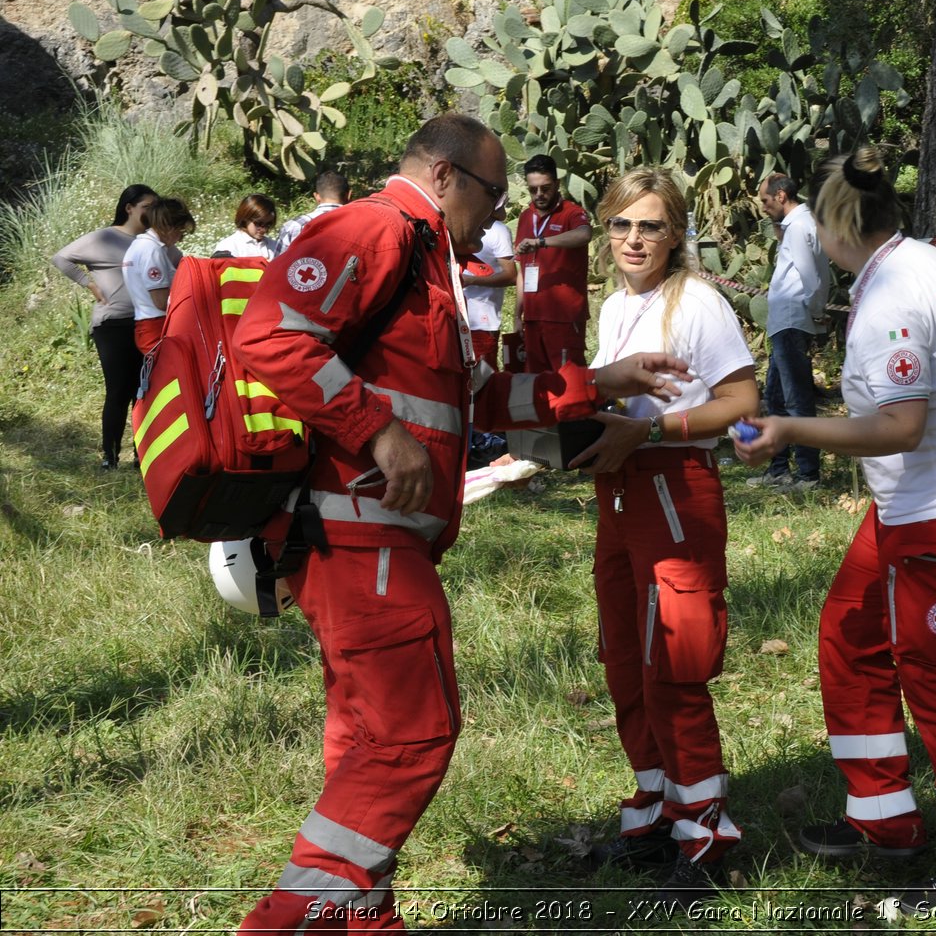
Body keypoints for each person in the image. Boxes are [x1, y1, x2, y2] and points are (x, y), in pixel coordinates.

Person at [229, 114, 688, 934]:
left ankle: (359, 916)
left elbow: (476, 398)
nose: (500, 210)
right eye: (493, 192)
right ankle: (290, 920)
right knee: (413, 729)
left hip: (375, 535)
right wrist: (378, 428)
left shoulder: (426, 258)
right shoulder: (373, 227)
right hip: (358, 532)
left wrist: (600, 381)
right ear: (445, 177)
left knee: (368, 733)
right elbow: (270, 335)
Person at [734, 147, 936, 911]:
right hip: (927, 500)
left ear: (836, 225)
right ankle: (885, 817)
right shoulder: (919, 260)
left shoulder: (889, 299)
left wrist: (789, 428)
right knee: (851, 631)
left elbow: (899, 426)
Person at [574, 166, 759, 900]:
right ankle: (653, 810)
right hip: (618, 495)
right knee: (624, 656)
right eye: (621, 223)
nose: (633, 238)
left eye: (650, 224)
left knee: (673, 661)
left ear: (676, 231)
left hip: (675, 489)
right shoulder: (615, 306)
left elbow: (743, 399)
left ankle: (706, 834)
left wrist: (652, 428)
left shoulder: (699, 301)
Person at [50, 183, 158, 469]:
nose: (151, 212)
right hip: (112, 325)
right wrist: (89, 283)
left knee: (144, 390)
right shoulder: (104, 238)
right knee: (118, 390)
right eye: (146, 206)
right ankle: (110, 457)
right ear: (129, 208)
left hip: (148, 324)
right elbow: (61, 258)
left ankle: (142, 456)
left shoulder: (153, 240)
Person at [746, 172, 830, 492]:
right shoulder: (798, 226)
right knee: (776, 399)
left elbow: (812, 275)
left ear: (781, 196)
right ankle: (779, 468)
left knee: (796, 401)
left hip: (793, 320)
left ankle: (808, 475)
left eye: (766, 201)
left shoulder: (798, 226)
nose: (764, 208)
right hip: (785, 322)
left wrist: (817, 310)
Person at [513, 154, 592, 373]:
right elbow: (522, 270)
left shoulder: (572, 213)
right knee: (536, 383)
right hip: (532, 317)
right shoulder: (525, 217)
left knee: (570, 383)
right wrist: (517, 316)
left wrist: (542, 242)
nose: (539, 195)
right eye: (533, 189)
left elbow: (584, 234)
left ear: (557, 184)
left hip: (564, 317)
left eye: (545, 188)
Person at [124, 197, 194, 353]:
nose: (180, 238)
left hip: (149, 324)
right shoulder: (151, 250)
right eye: (180, 231)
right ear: (168, 227)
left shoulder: (141, 245)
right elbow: (161, 301)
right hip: (157, 326)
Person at [462, 216, 516, 370]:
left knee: (483, 379)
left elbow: (511, 276)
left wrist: (472, 280)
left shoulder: (498, 230)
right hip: (454, 319)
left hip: (481, 322)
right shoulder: (457, 224)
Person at [277, 170, 351, 251]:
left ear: (317, 196)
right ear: (349, 195)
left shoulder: (294, 225)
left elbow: (278, 262)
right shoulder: (357, 225)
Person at [213, 193, 280, 260]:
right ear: (245, 218)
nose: (264, 229)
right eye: (259, 223)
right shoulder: (228, 247)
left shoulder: (275, 246)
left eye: (268, 224)